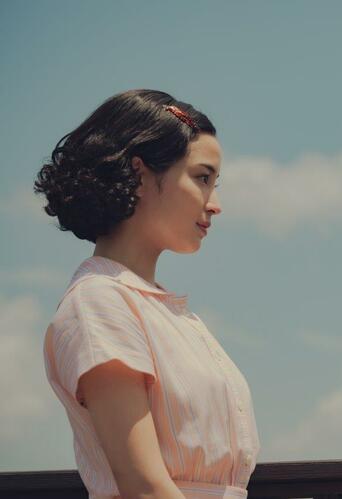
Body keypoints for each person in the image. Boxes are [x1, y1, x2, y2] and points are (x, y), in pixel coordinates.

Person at [36, 89, 260, 499]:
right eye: (202, 178)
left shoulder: (165, 312)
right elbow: (144, 488)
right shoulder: (99, 304)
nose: (216, 204)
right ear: (139, 175)